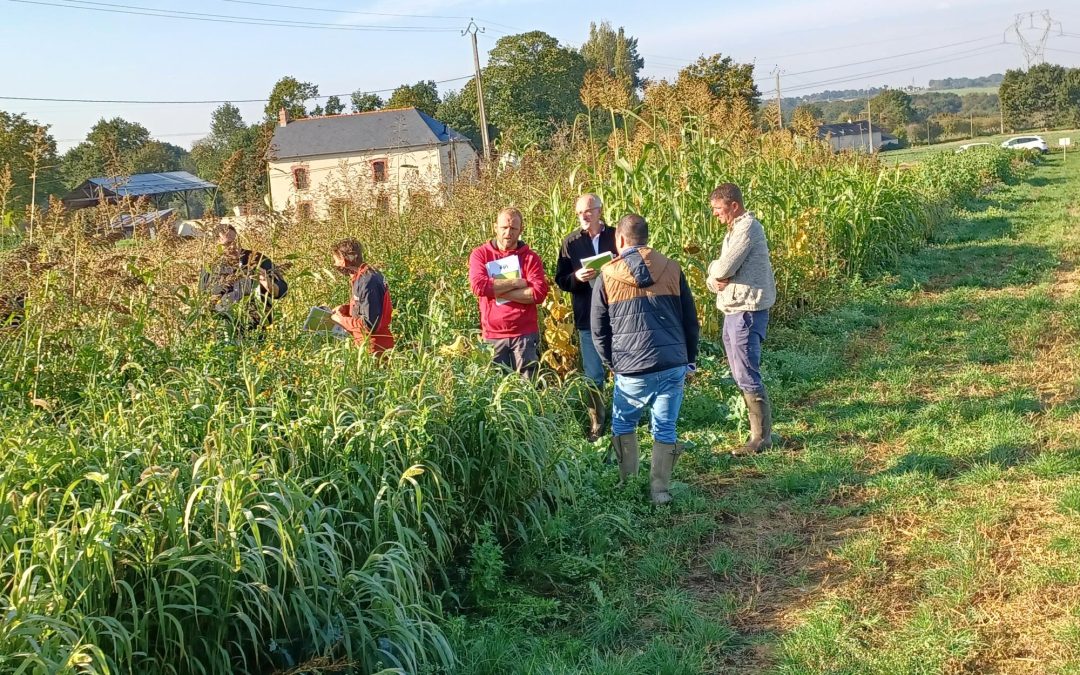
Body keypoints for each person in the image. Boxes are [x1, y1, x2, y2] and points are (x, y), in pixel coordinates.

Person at [592, 214, 699, 505]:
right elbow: (690, 319)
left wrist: (610, 362)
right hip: (672, 362)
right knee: (665, 426)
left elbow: (598, 328)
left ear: (621, 240)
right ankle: (660, 491)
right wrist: (689, 359)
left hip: (631, 364)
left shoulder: (608, 275)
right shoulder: (673, 268)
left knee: (624, 422)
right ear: (646, 237)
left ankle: (628, 483)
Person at [705, 183, 777, 456]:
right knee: (739, 370)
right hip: (735, 308)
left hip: (746, 309)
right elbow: (719, 277)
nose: (715, 214)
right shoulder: (736, 230)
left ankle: (760, 438)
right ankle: (761, 431)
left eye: (718, 208)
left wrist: (714, 271)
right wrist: (717, 279)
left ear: (734, 205)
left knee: (746, 371)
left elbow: (722, 268)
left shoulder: (747, 229)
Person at [555, 193, 619, 441]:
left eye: (588, 211)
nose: (584, 216)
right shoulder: (570, 242)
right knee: (593, 375)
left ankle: (627, 420)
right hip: (587, 315)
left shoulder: (615, 236)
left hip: (617, 313)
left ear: (599, 211)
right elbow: (561, 279)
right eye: (579, 212)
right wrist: (576, 278)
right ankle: (598, 423)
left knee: (624, 368)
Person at [468, 207, 550, 378]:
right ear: (495, 227)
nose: (508, 233)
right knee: (495, 392)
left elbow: (538, 294)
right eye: (504, 227)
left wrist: (497, 290)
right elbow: (478, 286)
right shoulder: (481, 255)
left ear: (521, 230)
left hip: (524, 336)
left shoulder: (529, 258)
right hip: (492, 335)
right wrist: (516, 283)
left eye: (513, 229)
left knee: (528, 390)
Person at [199, 225, 286, 335]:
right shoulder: (210, 267)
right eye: (227, 244)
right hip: (225, 330)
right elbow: (203, 300)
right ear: (217, 245)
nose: (234, 247)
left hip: (258, 328)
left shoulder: (257, 259)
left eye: (236, 242)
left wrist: (269, 285)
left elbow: (283, 290)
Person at [329, 239, 394, 353]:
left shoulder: (367, 281)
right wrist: (345, 309)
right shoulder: (364, 275)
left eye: (336, 260)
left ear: (344, 261)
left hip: (374, 348)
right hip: (367, 345)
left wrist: (342, 320)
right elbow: (369, 305)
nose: (335, 265)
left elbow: (370, 324)